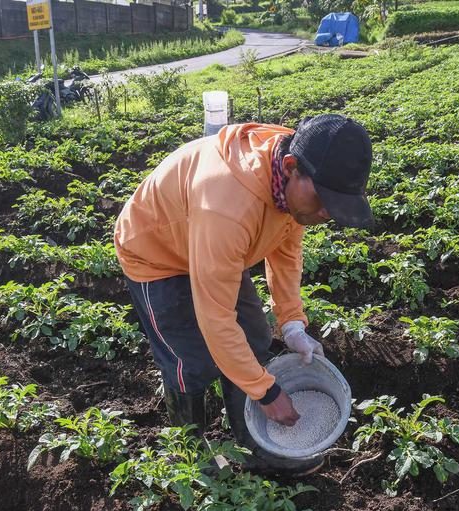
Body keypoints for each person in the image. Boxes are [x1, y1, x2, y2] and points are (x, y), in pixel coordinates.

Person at [113, 114, 374, 468]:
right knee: (189, 359)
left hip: (212, 246)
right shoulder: (227, 207)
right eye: (325, 198)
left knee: (253, 334)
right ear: (291, 167)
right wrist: (267, 391)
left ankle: (250, 439)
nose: (327, 212)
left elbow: (286, 251)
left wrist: (293, 322)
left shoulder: (292, 178)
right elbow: (216, 318)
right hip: (156, 254)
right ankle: (191, 456)